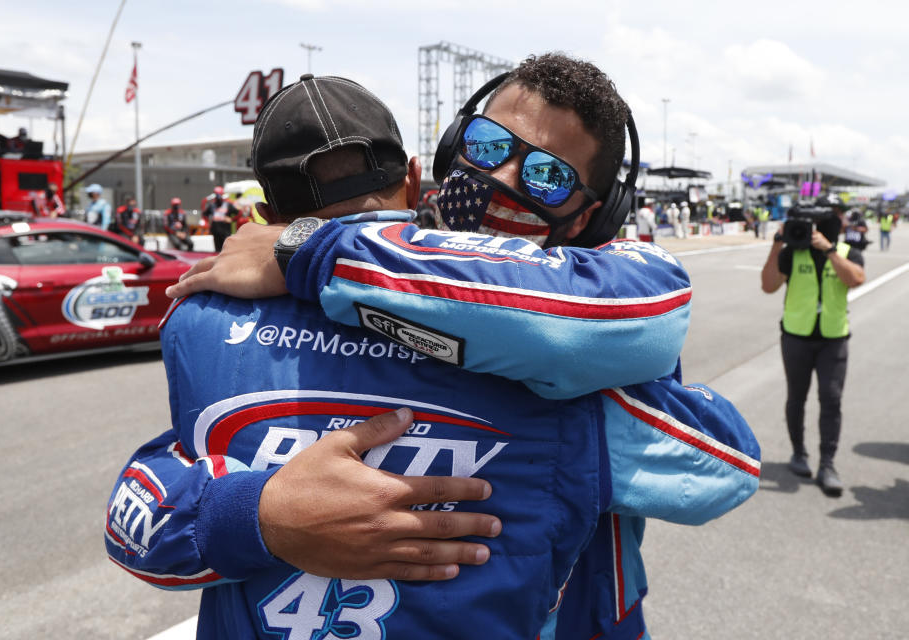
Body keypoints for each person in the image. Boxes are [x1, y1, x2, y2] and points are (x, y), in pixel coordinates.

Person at [109, 66, 758, 639]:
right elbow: (147, 501)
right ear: (442, 156)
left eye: (546, 175)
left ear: (594, 212)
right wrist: (261, 514)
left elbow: (626, 338)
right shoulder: (338, 285)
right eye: (488, 146)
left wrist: (310, 247)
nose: (502, 177)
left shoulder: (612, 277)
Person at [761, 200, 865, 496]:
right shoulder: (792, 254)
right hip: (796, 337)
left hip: (833, 339)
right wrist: (777, 245)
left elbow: (856, 279)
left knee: (831, 399)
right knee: (797, 397)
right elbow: (768, 286)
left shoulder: (848, 253)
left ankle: (828, 464)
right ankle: (799, 453)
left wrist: (829, 250)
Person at [202, 186, 239, 251]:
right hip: (215, 231)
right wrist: (209, 221)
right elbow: (204, 214)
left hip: (226, 231)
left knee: (226, 249)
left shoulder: (228, 204)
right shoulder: (212, 205)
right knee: (217, 250)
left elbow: (238, 213)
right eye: (217, 195)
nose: (218, 197)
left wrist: (232, 219)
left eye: (220, 194)